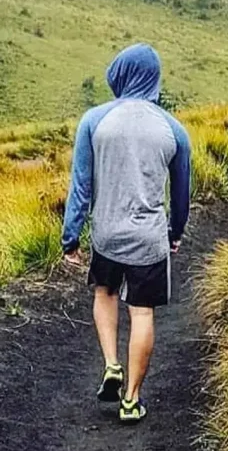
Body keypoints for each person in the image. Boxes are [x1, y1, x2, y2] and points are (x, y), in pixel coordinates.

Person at [61, 43, 191, 424]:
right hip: (148, 240)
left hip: (106, 235)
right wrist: (175, 232)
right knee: (143, 312)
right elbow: (181, 192)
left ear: (119, 75)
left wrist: (71, 238)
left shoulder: (94, 120)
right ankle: (131, 399)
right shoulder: (174, 130)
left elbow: (80, 186)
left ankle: (112, 364)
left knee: (105, 294)